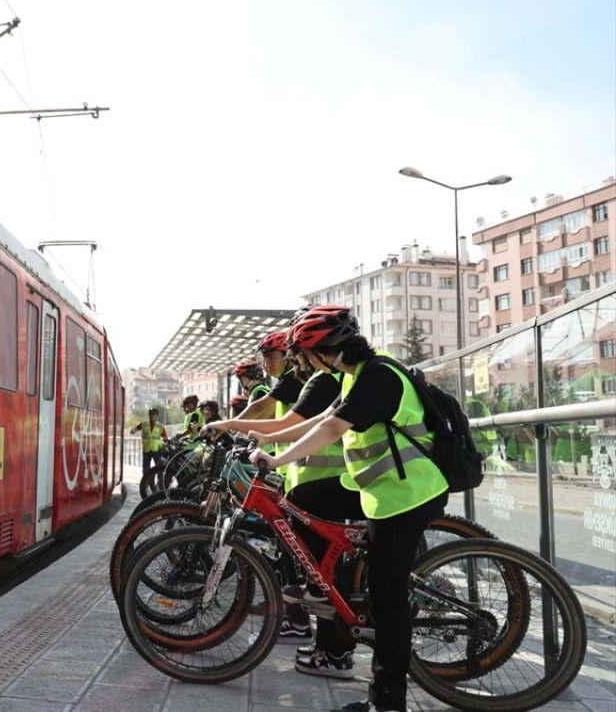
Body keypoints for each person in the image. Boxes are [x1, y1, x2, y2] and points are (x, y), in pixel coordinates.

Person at [250, 305, 449, 712]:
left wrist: (277, 460)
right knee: (304, 499)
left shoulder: (377, 375)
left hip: (407, 495)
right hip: (379, 489)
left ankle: (387, 702)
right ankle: (327, 586)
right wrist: (262, 436)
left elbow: (330, 429)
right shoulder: (355, 375)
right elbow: (322, 416)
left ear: (321, 351)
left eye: (305, 355)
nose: (304, 363)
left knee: (388, 599)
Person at [204, 327, 353, 655]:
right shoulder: (330, 381)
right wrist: (261, 439)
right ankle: (320, 638)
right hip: (309, 480)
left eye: (294, 354)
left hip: (326, 483)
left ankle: (333, 648)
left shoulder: (325, 381)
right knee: (311, 565)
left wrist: (237, 429)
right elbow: (305, 426)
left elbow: (293, 425)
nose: (294, 362)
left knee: (322, 571)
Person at [130, 407, 167, 475]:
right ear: (148, 415)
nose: (152, 416)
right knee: (146, 468)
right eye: (150, 414)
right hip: (146, 450)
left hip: (157, 450)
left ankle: (160, 484)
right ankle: (146, 483)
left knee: (159, 468)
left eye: (154, 414)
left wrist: (166, 443)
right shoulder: (144, 424)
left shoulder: (160, 426)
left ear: (157, 415)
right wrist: (133, 431)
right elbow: (135, 429)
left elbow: (165, 437)